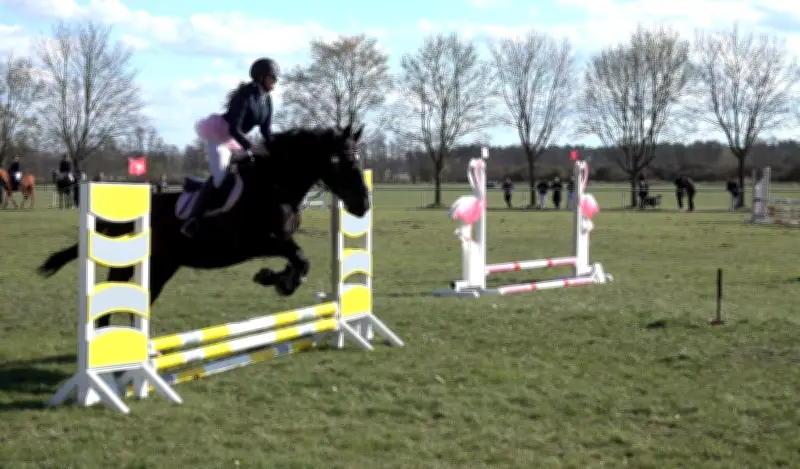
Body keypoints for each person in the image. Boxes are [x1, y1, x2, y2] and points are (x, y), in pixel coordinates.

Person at [183, 57, 278, 238]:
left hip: (237, 140)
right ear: (260, 77)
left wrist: (275, 148)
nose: (275, 81)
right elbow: (234, 128)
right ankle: (193, 218)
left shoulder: (267, 100)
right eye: (273, 77)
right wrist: (252, 147)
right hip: (220, 136)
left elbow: (266, 130)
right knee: (220, 178)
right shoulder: (245, 96)